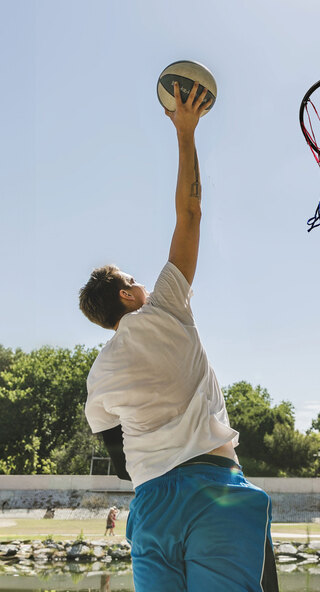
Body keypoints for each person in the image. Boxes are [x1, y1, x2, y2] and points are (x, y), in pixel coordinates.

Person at [79, 81, 278, 592]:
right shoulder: (165, 306)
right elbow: (189, 213)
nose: (140, 280)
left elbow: (121, 461)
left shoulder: (99, 375)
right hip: (215, 493)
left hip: (151, 506)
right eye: (130, 278)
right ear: (127, 297)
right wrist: (186, 133)